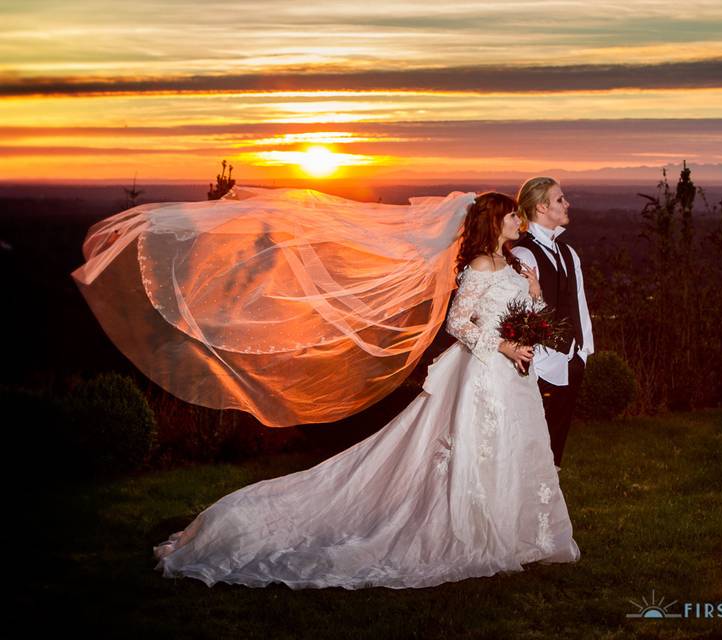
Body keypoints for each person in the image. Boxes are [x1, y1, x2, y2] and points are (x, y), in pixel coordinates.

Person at [152, 192, 581, 589]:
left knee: (513, 448)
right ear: (493, 221)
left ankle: (517, 532)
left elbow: (525, 313)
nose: (517, 220)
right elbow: (457, 322)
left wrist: (534, 296)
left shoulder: (511, 264)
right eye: (511, 214)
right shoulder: (481, 267)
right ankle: (472, 529)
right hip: (483, 373)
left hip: (514, 377)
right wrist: (502, 345)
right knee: (477, 449)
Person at [510, 178, 594, 469]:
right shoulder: (523, 255)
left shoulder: (569, 253)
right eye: (560, 199)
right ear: (542, 206)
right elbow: (517, 316)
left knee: (555, 447)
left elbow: (579, 304)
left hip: (570, 360)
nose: (567, 203)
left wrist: (582, 352)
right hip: (539, 365)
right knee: (531, 449)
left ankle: (548, 506)